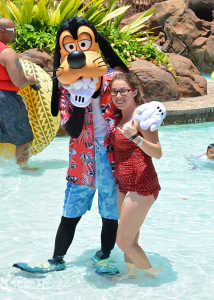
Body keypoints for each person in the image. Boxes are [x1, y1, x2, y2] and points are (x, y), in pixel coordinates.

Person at [13, 17, 166, 275]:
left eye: (84, 45)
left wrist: (155, 111)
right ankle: (56, 259)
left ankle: (104, 256)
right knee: (70, 213)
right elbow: (71, 129)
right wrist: (80, 103)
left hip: (112, 160)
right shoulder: (65, 88)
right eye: (71, 48)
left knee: (109, 213)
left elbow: (134, 101)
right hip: (81, 161)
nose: (78, 55)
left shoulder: (112, 81)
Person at [108, 71, 162, 279]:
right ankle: (131, 273)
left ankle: (154, 275)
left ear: (134, 92)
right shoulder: (120, 117)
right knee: (131, 238)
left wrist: (136, 138)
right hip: (124, 184)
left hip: (142, 184)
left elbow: (157, 153)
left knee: (122, 241)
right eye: (115, 92)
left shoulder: (143, 118)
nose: (119, 96)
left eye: (123, 91)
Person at [0, 18, 38, 170]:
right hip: (6, 100)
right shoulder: (7, 53)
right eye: (13, 30)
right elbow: (19, 82)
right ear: (1, 31)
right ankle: (24, 169)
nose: (15, 34)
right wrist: (30, 80)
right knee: (23, 136)